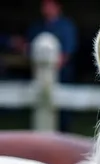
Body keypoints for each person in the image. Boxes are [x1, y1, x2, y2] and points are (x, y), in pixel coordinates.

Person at [25, 0, 78, 131]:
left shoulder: (66, 26)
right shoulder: (37, 26)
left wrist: (54, 67)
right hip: (40, 73)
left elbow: (68, 51)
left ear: (57, 7)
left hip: (62, 72)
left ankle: (64, 132)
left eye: (49, 5)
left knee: (63, 106)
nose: (46, 8)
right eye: (44, 5)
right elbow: (28, 46)